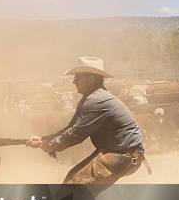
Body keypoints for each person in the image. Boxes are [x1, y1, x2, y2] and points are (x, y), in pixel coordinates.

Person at [27, 57, 147, 185]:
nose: (74, 81)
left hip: (123, 155)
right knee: (73, 185)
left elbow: (75, 135)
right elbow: (71, 127)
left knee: (72, 188)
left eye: (78, 77)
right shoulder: (90, 98)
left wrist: (50, 145)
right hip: (120, 153)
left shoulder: (96, 100)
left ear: (91, 78)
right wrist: (44, 139)